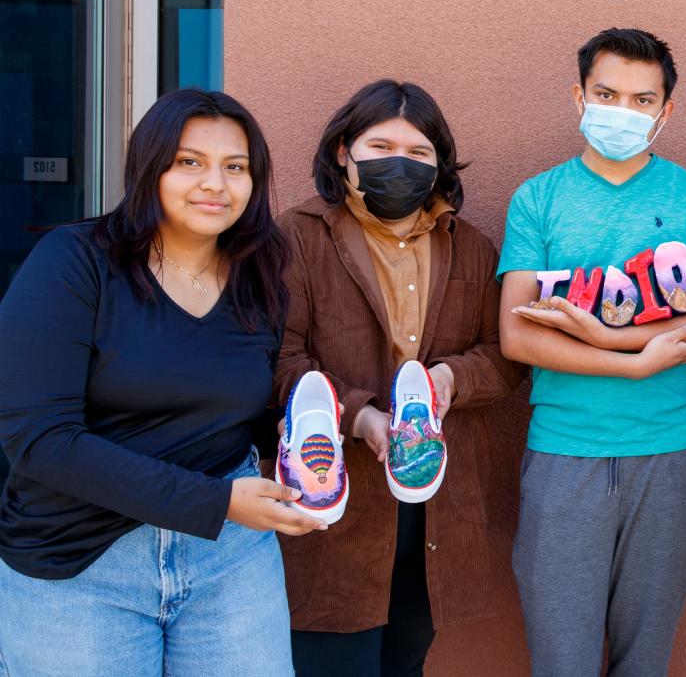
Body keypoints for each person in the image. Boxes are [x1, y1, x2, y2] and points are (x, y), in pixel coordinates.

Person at [0, 89, 310, 675]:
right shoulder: (75, 262)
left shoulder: (258, 273)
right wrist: (218, 503)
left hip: (228, 560)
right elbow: (39, 439)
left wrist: (319, 445)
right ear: (150, 167)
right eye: (189, 161)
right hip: (81, 561)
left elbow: (231, 412)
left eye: (235, 167)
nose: (215, 183)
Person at [497, 27, 686, 676]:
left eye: (642, 99)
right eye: (607, 93)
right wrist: (632, 362)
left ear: (666, 112)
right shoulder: (537, 199)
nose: (622, 111)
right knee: (562, 660)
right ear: (578, 97)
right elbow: (517, 335)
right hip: (563, 453)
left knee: (646, 658)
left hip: (670, 451)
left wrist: (609, 336)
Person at [275, 79, 525, 677]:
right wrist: (359, 417)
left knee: (407, 657)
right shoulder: (298, 237)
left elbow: (507, 356)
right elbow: (276, 357)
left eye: (418, 153)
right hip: (333, 496)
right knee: (332, 659)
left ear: (440, 163)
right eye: (380, 146)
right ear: (344, 151)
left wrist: (449, 381)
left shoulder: (473, 248)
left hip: (436, 496)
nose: (399, 164)